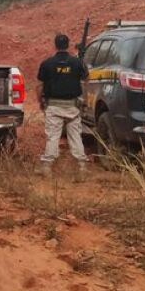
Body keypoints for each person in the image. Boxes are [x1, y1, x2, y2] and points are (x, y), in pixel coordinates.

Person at [35, 34, 90, 181]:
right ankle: (82, 168)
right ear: (68, 44)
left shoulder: (47, 63)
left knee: (52, 136)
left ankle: (47, 168)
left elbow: (39, 86)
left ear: (55, 45)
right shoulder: (77, 63)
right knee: (75, 136)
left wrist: (41, 102)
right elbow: (84, 83)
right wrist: (84, 102)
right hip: (73, 106)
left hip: (53, 105)